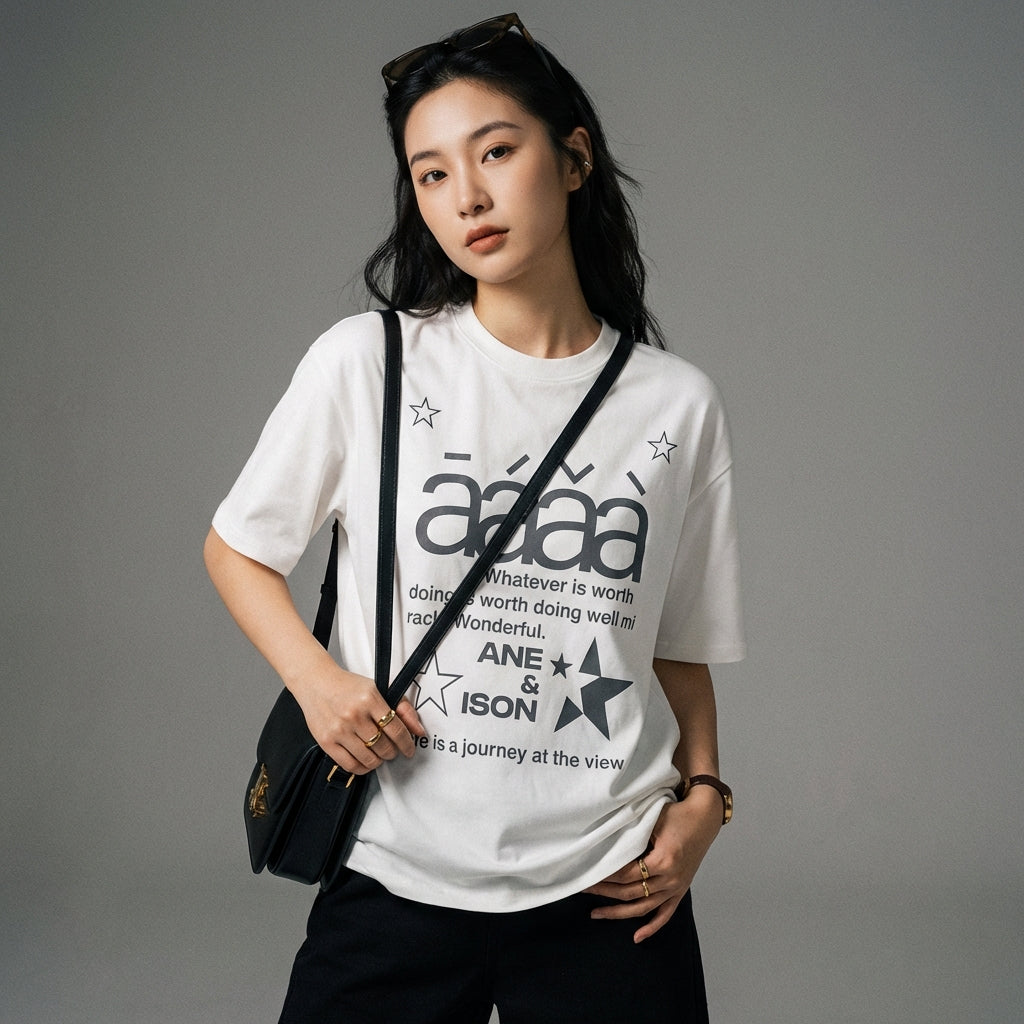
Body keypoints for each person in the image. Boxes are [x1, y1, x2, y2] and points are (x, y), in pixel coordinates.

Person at [204, 13, 744, 1023]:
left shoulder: (676, 405)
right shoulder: (369, 363)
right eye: (432, 172)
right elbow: (236, 548)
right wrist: (319, 685)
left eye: (495, 151)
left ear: (574, 158)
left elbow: (676, 642)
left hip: (612, 881)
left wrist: (706, 799)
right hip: (396, 871)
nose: (467, 196)